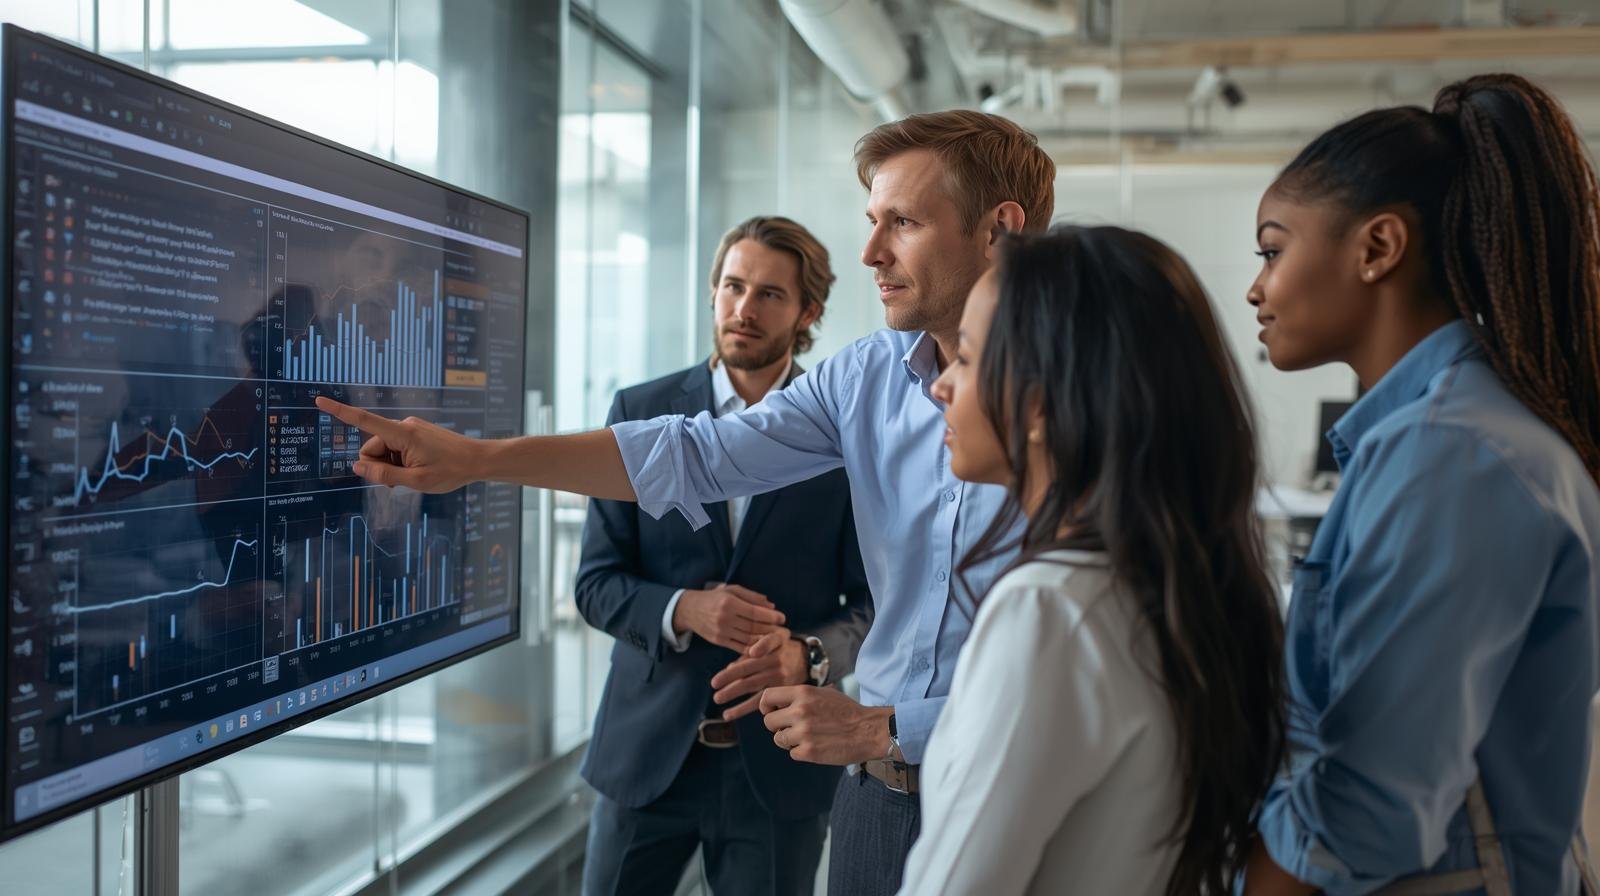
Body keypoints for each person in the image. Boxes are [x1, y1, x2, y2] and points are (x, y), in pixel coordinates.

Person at [314, 109, 1056, 894]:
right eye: (874, 222)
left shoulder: (1095, 403)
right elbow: (695, 454)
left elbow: (1098, 666)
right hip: (872, 796)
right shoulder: (865, 377)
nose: (873, 252)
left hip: (1006, 794)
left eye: (902, 222)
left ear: (998, 231)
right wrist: (477, 460)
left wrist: (885, 722)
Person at [1242, 73, 1600, 895]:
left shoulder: (1451, 455)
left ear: (1377, 248)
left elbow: (1371, 808)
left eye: (1273, 249)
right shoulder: (1442, 436)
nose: (1257, 287)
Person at [892, 225, 1285, 895]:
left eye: (965, 358)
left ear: (1040, 404)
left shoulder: (1050, 610)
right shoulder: (1172, 585)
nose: (940, 387)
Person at [576, 216, 871, 896]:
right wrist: (685, 609)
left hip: (780, 765)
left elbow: (870, 603)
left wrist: (810, 653)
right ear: (713, 291)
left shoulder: (842, 431)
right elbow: (595, 583)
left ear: (808, 313)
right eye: (733, 286)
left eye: (770, 294)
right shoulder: (640, 410)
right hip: (644, 757)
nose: (744, 308)